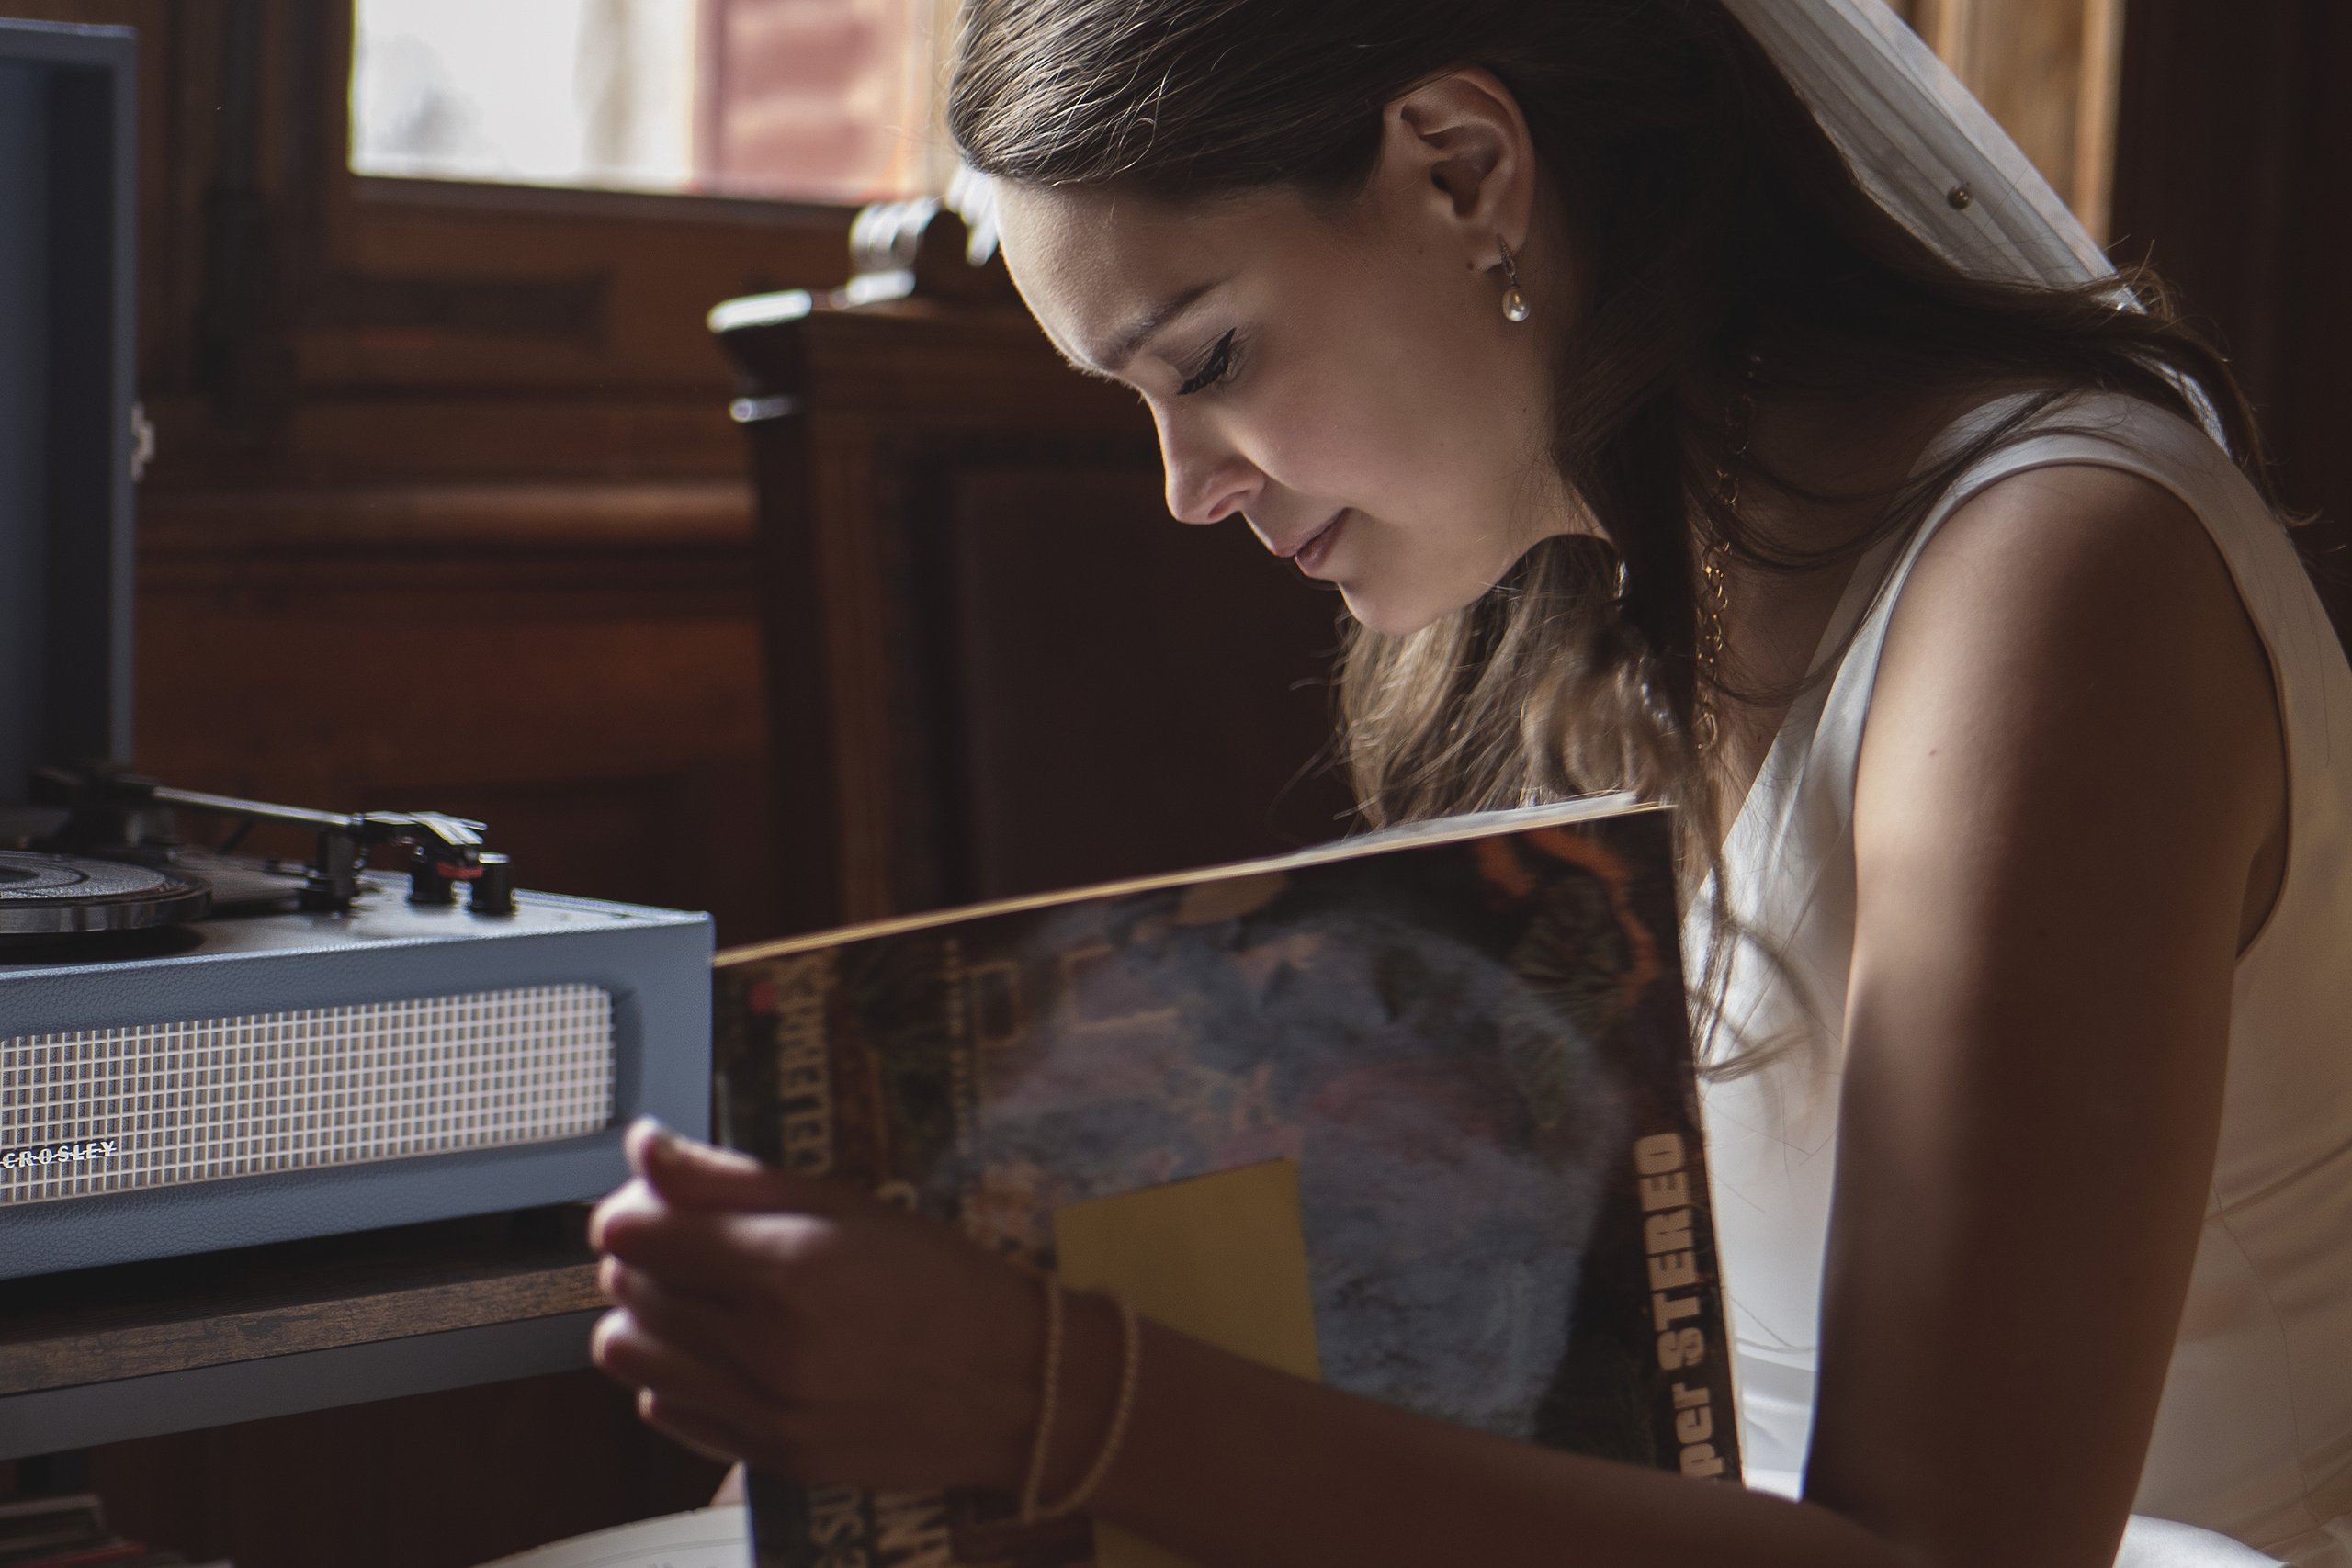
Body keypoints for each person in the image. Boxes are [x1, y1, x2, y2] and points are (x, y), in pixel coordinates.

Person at [585, 2, 2352, 1564]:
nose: (1187, 486)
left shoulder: (2053, 575)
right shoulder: (1623, 609)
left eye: (1204, 361)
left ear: (1462, 169)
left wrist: (1042, 1400)